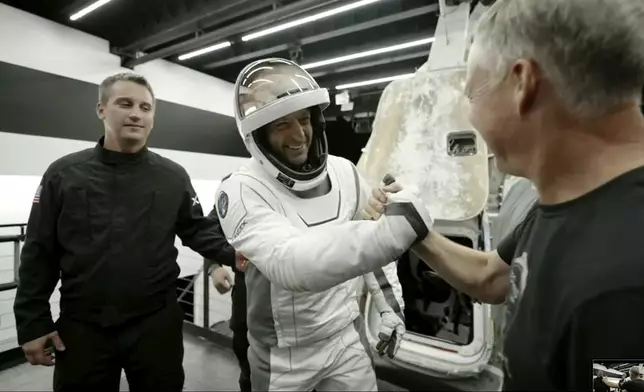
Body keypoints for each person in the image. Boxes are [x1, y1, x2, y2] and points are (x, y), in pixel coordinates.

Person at [367, 0, 644, 390]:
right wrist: (415, 230)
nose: (472, 117)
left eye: (473, 95)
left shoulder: (623, 287)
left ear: (522, 83)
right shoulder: (563, 202)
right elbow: (492, 276)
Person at [215, 58, 431, 391]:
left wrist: (390, 308)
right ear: (258, 134)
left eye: (304, 119)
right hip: (283, 355)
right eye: (282, 124)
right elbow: (294, 264)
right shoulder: (240, 189)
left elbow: (364, 244)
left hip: (346, 337)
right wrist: (394, 232)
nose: (299, 133)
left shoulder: (344, 171)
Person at [13, 73, 235, 392]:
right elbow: (38, 252)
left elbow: (198, 230)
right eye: (125, 104)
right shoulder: (63, 175)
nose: (136, 113)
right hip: (83, 327)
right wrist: (32, 323)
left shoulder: (172, 177)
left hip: (156, 326)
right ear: (101, 109)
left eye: (145, 107)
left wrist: (239, 253)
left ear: (153, 118)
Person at [204, 178, 252, 392]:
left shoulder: (315, 187)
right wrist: (214, 266)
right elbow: (209, 230)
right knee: (249, 374)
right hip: (248, 303)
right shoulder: (239, 183)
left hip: (306, 313)